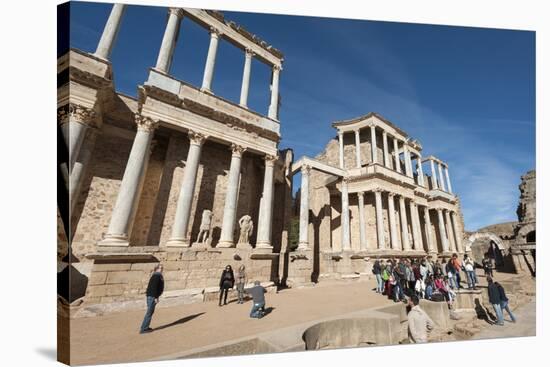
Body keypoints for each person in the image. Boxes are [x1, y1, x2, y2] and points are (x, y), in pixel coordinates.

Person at [139, 264, 164, 334]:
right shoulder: (156, 276)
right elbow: (154, 288)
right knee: (149, 313)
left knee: (150, 312)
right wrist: (156, 297)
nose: (161, 269)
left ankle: (145, 327)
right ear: (156, 269)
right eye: (160, 268)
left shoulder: (156, 275)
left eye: (162, 268)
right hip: (152, 297)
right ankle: (143, 329)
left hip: (151, 296)